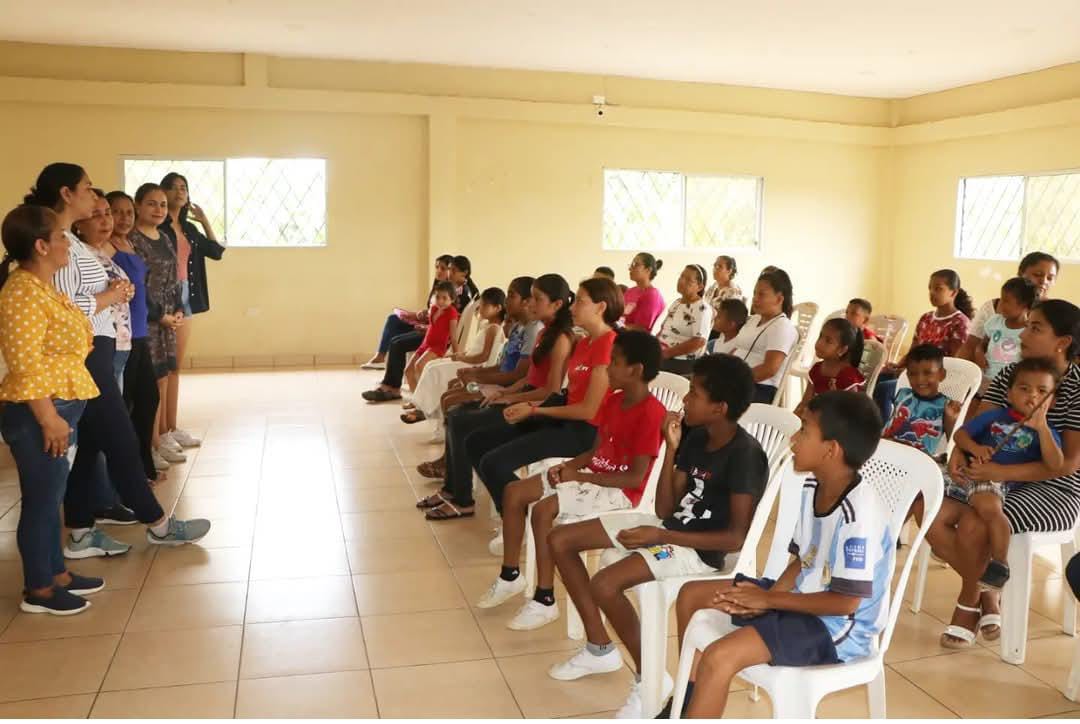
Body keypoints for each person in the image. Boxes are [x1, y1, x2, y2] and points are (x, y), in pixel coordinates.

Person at [545, 354, 768, 719]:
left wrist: (663, 536)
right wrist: (672, 450)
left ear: (719, 408)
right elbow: (665, 508)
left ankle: (649, 678)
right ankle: (600, 647)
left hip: (699, 551)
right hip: (669, 529)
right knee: (560, 540)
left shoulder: (745, 456)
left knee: (605, 584)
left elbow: (734, 539)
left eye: (694, 394)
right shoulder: (697, 438)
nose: (685, 400)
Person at [24, 165, 210, 557]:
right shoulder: (58, 243)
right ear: (67, 194)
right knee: (122, 438)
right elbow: (63, 307)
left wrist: (112, 290)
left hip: (100, 349)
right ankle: (158, 524)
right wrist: (110, 296)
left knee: (92, 444)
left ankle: (80, 531)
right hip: (88, 356)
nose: (94, 197)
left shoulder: (71, 243)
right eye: (87, 188)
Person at [666, 391, 886, 718]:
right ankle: (687, 700)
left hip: (836, 628)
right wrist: (767, 599)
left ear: (831, 450)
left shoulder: (859, 514)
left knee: (719, 657)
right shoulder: (813, 485)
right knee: (692, 596)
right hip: (802, 598)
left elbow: (846, 602)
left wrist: (769, 600)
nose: (794, 439)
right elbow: (803, 560)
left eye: (804, 430)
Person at [474, 331, 666, 634]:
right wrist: (569, 466)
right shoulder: (614, 401)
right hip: (592, 476)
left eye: (614, 362)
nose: (607, 369)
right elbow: (594, 452)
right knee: (514, 492)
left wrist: (580, 476)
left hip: (619, 491)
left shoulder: (651, 413)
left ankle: (544, 598)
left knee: (542, 510)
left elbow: (633, 478)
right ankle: (510, 576)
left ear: (635, 370)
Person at [920, 299, 1079, 649]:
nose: (1022, 334)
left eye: (1035, 328)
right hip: (990, 473)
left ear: (1062, 342)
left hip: (1054, 486)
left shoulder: (1076, 388)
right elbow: (980, 424)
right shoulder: (1012, 373)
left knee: (976, 522)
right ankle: (989, 592)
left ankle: (969, 602)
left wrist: (1000, 470)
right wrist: (960, 454)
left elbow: (1068, 463)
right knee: (927, 504)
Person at [0, 205, 103, 615]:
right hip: (40, 414)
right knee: (41, 500)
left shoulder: (42, 287)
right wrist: (48, 417)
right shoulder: (21, 294)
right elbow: (24, 365)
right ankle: (39, 590)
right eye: (62, 237)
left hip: (60, 408)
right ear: (41, 246)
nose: (68, 245)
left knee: (52, 494)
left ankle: (57, 572)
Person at [417, 274, 575, 521]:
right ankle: (452, 491)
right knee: (457, 414)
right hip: (522, 397)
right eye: (530, 298)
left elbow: (550, 391)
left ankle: (462, 499)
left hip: (535, 409)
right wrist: (505, 393)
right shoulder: (545, 333)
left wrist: (512, 399)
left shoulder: (561, 339)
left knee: (462, 422)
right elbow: (528, 378)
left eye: (537, 299)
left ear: (556, 304)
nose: (531, 303)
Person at [472, 278, 623, 523]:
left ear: (601, 307)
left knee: (494, 462)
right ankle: (515, 511)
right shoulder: (585, 342)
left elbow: (588, 410)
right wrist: (529, 406)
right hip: (563, 420)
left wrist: (534, 411)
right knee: (477, 441)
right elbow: (565, 395)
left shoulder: (608, 346)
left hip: (586, 433)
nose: (573, 308)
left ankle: (517, 515)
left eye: (580, 302)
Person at [947, 358, 1063, 590]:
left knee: (989, 509)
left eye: (1042, 392)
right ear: (1009, 395)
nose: (1033, 395)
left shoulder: (1047, 432)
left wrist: (1042, 428)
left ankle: (999, 563)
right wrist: (975, 448)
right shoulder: (996, 416)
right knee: (926, 491)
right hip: (968, 472)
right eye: (1024, 388)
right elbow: (961, 435)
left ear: (1052, 401)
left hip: (995, 482)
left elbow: (1055, 464)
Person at [423, 277, 539, 441]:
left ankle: (451, 441)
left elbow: (517, 375)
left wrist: (478, 377)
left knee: (450, 402)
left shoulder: (532, 331)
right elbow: (502, 366)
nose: (506, 301)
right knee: (448, 394)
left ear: (527, 302)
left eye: (511, 296)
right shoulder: (518, 327)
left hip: (504, 388)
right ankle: (446, 439)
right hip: (496, 383)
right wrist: (474, 372)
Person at [158, 171, 226, 451]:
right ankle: (160, 432)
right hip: (163, 297)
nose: (179, 192)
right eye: (173, 187)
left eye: (183, 188)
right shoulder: (158, 226)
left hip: (186, 295)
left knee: (175, 365)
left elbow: (216, 251)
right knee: (162, 368)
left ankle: (171, 428)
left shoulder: (188, 229)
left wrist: (205, 220)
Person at [366, 256, 477, 401]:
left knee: (397, 344)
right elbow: (435, 312)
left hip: (438, 340)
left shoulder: (462, 295)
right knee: (394, 323)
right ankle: (392, 380)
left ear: (464, 273)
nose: (448, 273)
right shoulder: (448, 289)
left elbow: (452, 327)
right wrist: (426, 317)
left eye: (452, 270)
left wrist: (455, 352)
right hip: (430, 333)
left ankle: (393, 387)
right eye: (448, 269)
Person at [129, 183, 185, 469]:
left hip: (167, 319)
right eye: (151, 203)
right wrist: (159, 315)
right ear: (138, 205)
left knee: (163, 378)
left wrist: (177, 309)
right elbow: (137, 286)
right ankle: (148, 446)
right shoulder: (132, 239)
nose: (159, 209)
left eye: (162, 204)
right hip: (146, 319)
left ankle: (161, 437)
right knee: (149, 385)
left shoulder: (163, 236)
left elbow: (174, 278)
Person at [873, 269, 973, 422]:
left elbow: (953, 363)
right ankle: (883, 424)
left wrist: (912, 373)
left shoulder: (960, 323)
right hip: (915, 372)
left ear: (953, 292)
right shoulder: (926, 318)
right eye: (930, 288)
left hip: (936, 379)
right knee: (879, 376)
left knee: (884, 389)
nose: (932, 293)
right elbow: (914, 349)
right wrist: (898, 366)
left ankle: (887, 429)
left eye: (938, 289)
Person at [107, 190, 159, 482]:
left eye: (129, 212)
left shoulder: (129, 243)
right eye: (117, 211)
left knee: (148, 398)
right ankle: (128, 473)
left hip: (139, 332)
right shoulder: (107, 247)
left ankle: (144, 465)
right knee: (126, 403)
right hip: (121, 337)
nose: (124, 218)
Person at [401, 286, 506, 424]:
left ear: (498, 308)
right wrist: (459, 355)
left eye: (484, 305)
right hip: (468, 360)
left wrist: (461, 357)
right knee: (431, 365)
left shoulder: (494, 329)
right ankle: (424, 407)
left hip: (473, 365)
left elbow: (483, 357)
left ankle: (423, 410)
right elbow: (475, 350)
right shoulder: (487, 326)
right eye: (480, 305)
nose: (480, 308)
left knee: (434, 370)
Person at [74, 191, 132, 389]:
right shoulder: (79, 254)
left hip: (119, 341)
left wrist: (127, 291)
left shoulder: (103, 253)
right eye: (96, 215)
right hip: (98, 341)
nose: (106, 220)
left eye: (108, 213)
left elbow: (116, 291)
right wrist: (114, 293)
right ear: (79, 224)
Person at [959, 251, 1059, 364]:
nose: (1044, 281)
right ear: (1021, 274)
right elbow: (970, 346)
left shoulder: (1055, 313)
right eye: (1037, 275)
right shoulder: (991, 308)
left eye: (1050, 278)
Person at [362, 254, 453, 370]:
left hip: (430, 331)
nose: (438, 271)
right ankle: (380, 356)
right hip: (425, 323)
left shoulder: (450, 294)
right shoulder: (437, 288)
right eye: (437, 267)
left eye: (443, 268)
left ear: (450, 271)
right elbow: (434, 309)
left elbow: (444, 317)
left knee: (396, 340)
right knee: (393, 319)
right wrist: (423, 313)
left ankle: (386, 363)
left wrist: (426, 320)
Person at [725, 268, 798, 403]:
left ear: (779, 299)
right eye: (754, 293)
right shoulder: (753, 320)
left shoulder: (782, 326)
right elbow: (737, 349)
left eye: (761, 295)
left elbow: (769, 369)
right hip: (737, 382)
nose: (755, 298)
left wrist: (735, 380)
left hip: (759, 388)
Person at [881, 344, 961, 458]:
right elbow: (890, 425)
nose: (920, 380)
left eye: (927, 373)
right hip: (887, 452)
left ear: (942, 375)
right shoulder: (903, 394)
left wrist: (951, 419)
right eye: (913, 374)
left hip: (918, 461)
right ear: (907, 375)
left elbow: (952, 441)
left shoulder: (946, 406)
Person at [972, 276, 1037, 397]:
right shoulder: (995, 321)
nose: (1000, 305)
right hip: (986, 378)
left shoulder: (1029, 331)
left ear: (1023, 304)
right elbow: (982, 345)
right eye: (1001, 299)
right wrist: (978, 353)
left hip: (1010, 384)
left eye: (1006, 301)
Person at [794, 317, 865, 415]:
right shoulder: (816, 369)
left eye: (828, 341)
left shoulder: (848, 376)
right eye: (820, 336)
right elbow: (805, 403)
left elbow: (850, 415)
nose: (819, 343)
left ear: (842, 350)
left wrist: (834, 399)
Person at [402, 281, 460, 393]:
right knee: (408, 371)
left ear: (452, 299)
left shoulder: (452, 313)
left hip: (437, 348)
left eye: (444, 298)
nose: (440, 301)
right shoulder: (433, 308)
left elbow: (453, 337)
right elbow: (433, 326)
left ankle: (425, 397)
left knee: (419, 366)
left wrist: (456, 354)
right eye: (438, 297)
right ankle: (416, 399)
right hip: (425, 345)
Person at [657, 264, 713, 376]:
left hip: (681, 360)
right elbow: (664, 329)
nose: (681, 281)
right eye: (681, 276)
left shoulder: (702, 308)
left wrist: (666, 353)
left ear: (700, 287)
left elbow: (699, 341)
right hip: (664, 353)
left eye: (688, 280)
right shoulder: (677, 303)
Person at [703, 255, 744, 339]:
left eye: (719, 266)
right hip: (707, 327)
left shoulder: (733, 291)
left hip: (719, 332)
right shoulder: (713, 287)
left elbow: (727, 319)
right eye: (714, 266)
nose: (715, 269)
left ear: (729, 270)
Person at [622, 253, 665, 332]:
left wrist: (616, 327)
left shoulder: (652, 295)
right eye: (631, 265)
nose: (630, 268)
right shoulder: (630, 291)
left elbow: (641, 329)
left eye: (635, 264)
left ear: (648, 270)